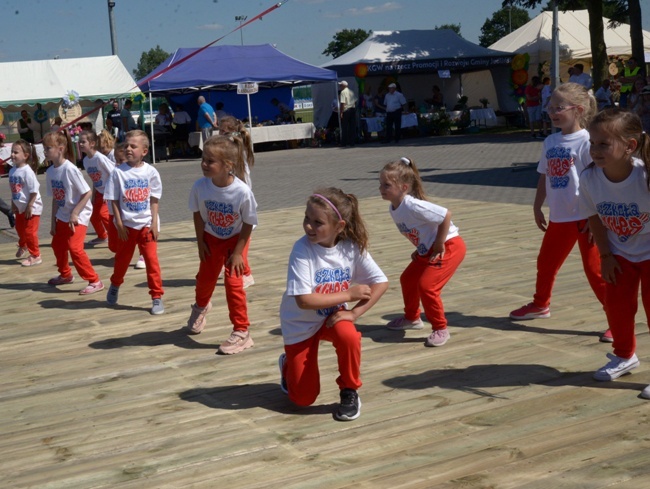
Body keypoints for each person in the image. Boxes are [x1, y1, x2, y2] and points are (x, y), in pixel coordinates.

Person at [509, 83, 610, 340]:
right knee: (546, 263)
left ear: (578, 110)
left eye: (558, 108)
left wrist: (597, 216)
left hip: (586, 219)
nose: (552, 112)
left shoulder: (588, 141)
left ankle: (615, 316)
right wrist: (536, 205)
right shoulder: (550, 141)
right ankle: (541, 304)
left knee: (596, 271)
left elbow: (599, 180)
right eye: (550, 107)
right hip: (560, 217)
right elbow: (544, 176)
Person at [278, 188, 388, 421]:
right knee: (302, 399)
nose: (309, 226)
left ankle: (349, 391)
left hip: (331, 317)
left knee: (348, 334)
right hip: (299, 323)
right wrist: (349, 296)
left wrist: (355, 313)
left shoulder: (351, 247)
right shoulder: (302, 249)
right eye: (307, 218)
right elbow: (304, 301)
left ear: (339, 226)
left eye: (317, 222)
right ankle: (288, 364)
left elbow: (380, 282)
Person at [578, 109, 650, 399]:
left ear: (630, 146)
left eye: (603, 144)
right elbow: (593, 215)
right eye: (592, 143)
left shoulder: (645, 176)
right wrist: (605, 255)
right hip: (619, 253)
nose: (595, 150)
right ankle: (624, 355)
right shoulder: (590, 177)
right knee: (617, 308)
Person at [379, 157, 466, 346]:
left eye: (386, 185)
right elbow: (420, 231)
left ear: (403, 187)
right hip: (430, 249)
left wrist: (439, 244)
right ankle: (412, 319)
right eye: (381, 184)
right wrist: (421, 249)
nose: (381, 189)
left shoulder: (412, 205)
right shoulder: (394, 208)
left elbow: (445, 215)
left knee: (427, 286)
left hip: (449, 245)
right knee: (408, 279)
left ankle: (440, 328)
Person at [186, 135, 258, 355]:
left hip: (237, 240)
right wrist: (200, 243)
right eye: (203, 159)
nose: (204, 165)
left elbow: (249, 222)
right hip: (211, 237)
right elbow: (198, 214)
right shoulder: (201, 186)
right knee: (205, 279)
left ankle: (242, 331)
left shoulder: (242, 191)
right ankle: (201, 306)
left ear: (228, 165)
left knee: (233, 283)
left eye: (210, 161)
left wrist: (238, 253)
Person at [104, 130, 164, 315]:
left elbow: (154, 199)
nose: (128, 149)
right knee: (122, 260)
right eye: (126, 145)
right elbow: (113, 199)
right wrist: (119, 224)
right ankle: (115, 284)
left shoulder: (151, 172)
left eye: (133, 146)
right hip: (126, 227)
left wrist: (154, 223)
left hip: (146, 225)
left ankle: (156, 296)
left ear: (144, 151)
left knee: (152, 261)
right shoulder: (118, 173)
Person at [43, 130, 104, 294]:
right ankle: (66, 275)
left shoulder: (70, 169)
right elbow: (56, 198)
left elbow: (87, 193)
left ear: (60, 148)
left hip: (79, 215)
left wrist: (75, 213)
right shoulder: (50, 172)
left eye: (48, 148)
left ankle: (95, 280)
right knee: (57, 245)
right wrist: (53, 222)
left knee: (75, 248)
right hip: (62, 215)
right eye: (44, 148)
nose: (45, 151)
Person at [219, 116, 256, 288]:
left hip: (241, 206)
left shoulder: (237, 153)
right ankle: (226, 265)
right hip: (230, 206)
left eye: (222, 131)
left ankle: (246, 273)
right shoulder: (229, 152)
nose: (219, 134)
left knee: (241, 244)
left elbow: (244, 185)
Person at [79, 130, 116, 246]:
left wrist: (108, 193)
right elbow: (95, 179)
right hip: (99, 191)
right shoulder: (85, 161)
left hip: (109, 192)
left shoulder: (100, 158)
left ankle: (115, 238)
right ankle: (102, 236)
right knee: (93, 214)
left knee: (103, 214)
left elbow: (114, 174)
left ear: (92, 143)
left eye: (83, 142)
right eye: (79, 141)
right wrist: (94, 193)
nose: (80, 144)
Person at [9, 139, 42, 266]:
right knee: (20, 228)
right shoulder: (12, 171)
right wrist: (13, 204)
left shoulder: (28, 171)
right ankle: (23, 245)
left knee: (30, 232)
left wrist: (30, 205)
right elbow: (14, 190)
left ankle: (36, 255)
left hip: (32, 207)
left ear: (25, 155)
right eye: (12, 152)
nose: (12, 155)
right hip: (20, 207)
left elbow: (34, 190)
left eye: (16, 152)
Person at [338, 80, 358, 147]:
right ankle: (352, 142)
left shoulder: (343, 92)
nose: (340, 86)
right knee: (352, 126)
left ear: (344, 86)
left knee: (345, 127)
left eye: (340, 85)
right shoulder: (351, 91)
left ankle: (344, 142)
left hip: (346, 110)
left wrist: (341, 112)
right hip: (352, 109)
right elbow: (355, 101)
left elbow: (342, 103)